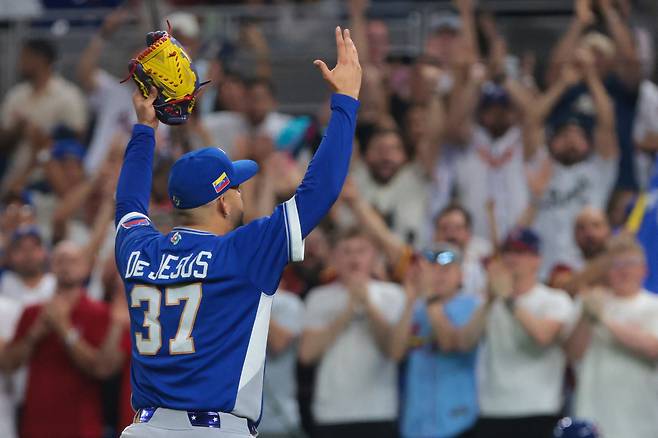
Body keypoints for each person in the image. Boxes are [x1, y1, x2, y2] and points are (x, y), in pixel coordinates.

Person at [116, 27, 361, 438]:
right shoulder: (244, 252)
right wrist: (346, 102)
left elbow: (128, 206)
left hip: (144, 429)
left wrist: (145, 128)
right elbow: (320, 191)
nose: (241, 191)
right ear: (223, 203)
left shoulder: (139, 249)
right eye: (236, 185)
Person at [0, 241, 125, 438]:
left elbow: (101, 369)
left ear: (87, 267)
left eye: (73, 260)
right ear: (51, 266)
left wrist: (65, 329)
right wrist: (34, 335)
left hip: (82, 427)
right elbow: (7, 364)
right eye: (60, 260)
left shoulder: (102, 313)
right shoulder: (32, 312)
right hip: (35, 426)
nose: (66, 265)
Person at [463, 228, 575, 438]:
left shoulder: (554, 299)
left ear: (537, 259)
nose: (512, 258)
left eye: (520, 252)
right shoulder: (489, 302)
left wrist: (508, 300)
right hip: (492, 410)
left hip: (539, 409)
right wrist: (489, 299)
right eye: (508, 252)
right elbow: (465, 343)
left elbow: (542, 337)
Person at [298, 228, 405, 438]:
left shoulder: (393, 295)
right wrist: (347, 311)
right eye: (346, 251)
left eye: (361, 251)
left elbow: (394, 351)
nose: (354, 258)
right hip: (331, 414)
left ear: (374, 257)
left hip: (379, 411)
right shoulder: (318, 298)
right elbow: (306, 355)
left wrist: (368, 306)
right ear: (334, 258)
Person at [566, 238, 658, 438]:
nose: (624, 271)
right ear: (607, 271)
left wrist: (601, 319)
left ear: (644, 269)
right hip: (593, 417)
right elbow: (573, 353)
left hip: (642, 420)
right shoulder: (590, 301)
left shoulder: (654, 306)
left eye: (631, 263)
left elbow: (653, 348)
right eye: (617, 265)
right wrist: (585, 317)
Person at [390, 243, 479, 438]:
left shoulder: (471, 306)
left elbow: (449, 343)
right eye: (432, 270)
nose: (438, 276)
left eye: (446, 270)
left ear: (461, 275)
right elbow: (395, 353)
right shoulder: (416, 308)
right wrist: (410, 300)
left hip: (457, 422)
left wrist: (429, 296)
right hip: (415, 425)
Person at [0, 38, 87, 189]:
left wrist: (43, 139)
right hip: (14, 177)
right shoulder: (16, 95)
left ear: (39, 60)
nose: (20, 63)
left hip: (51, 184)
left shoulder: (68, 96)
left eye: (25, 57)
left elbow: (77, 142)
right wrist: (18, 129)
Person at [258, 290, 305, 438]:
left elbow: (278, 344)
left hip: (277, 419)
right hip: (231, 418)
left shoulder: (288, 302)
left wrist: (252, 300)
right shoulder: (227, 298)